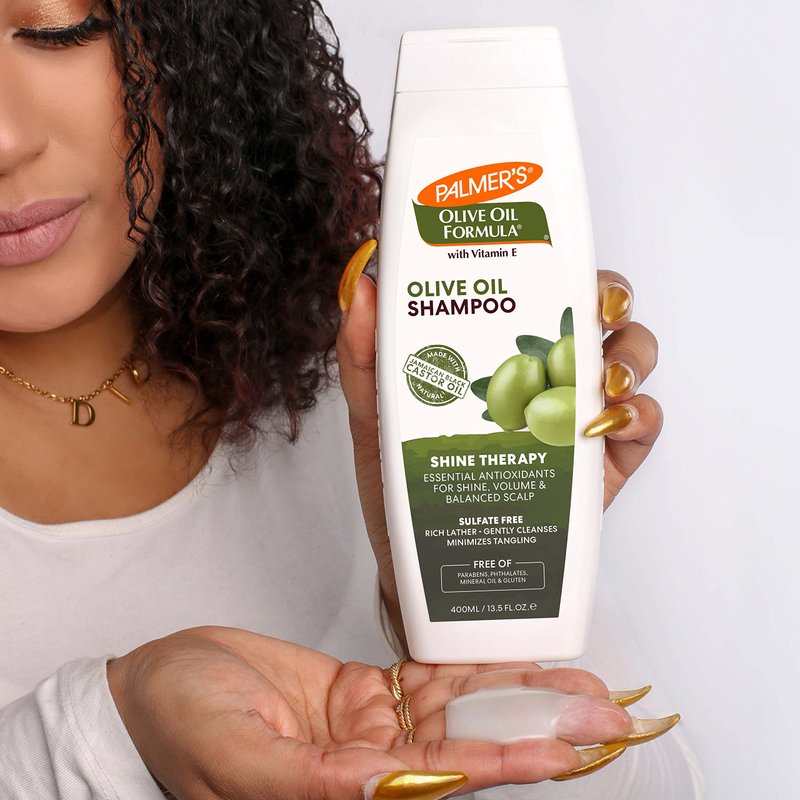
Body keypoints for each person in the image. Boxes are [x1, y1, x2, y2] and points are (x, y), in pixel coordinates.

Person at [0, 0, 697, 798]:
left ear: (189, 38)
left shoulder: (380, 380)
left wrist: (471, 646)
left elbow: (660, 779)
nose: (6, 140)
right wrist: (112, 729)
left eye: (58, 29)